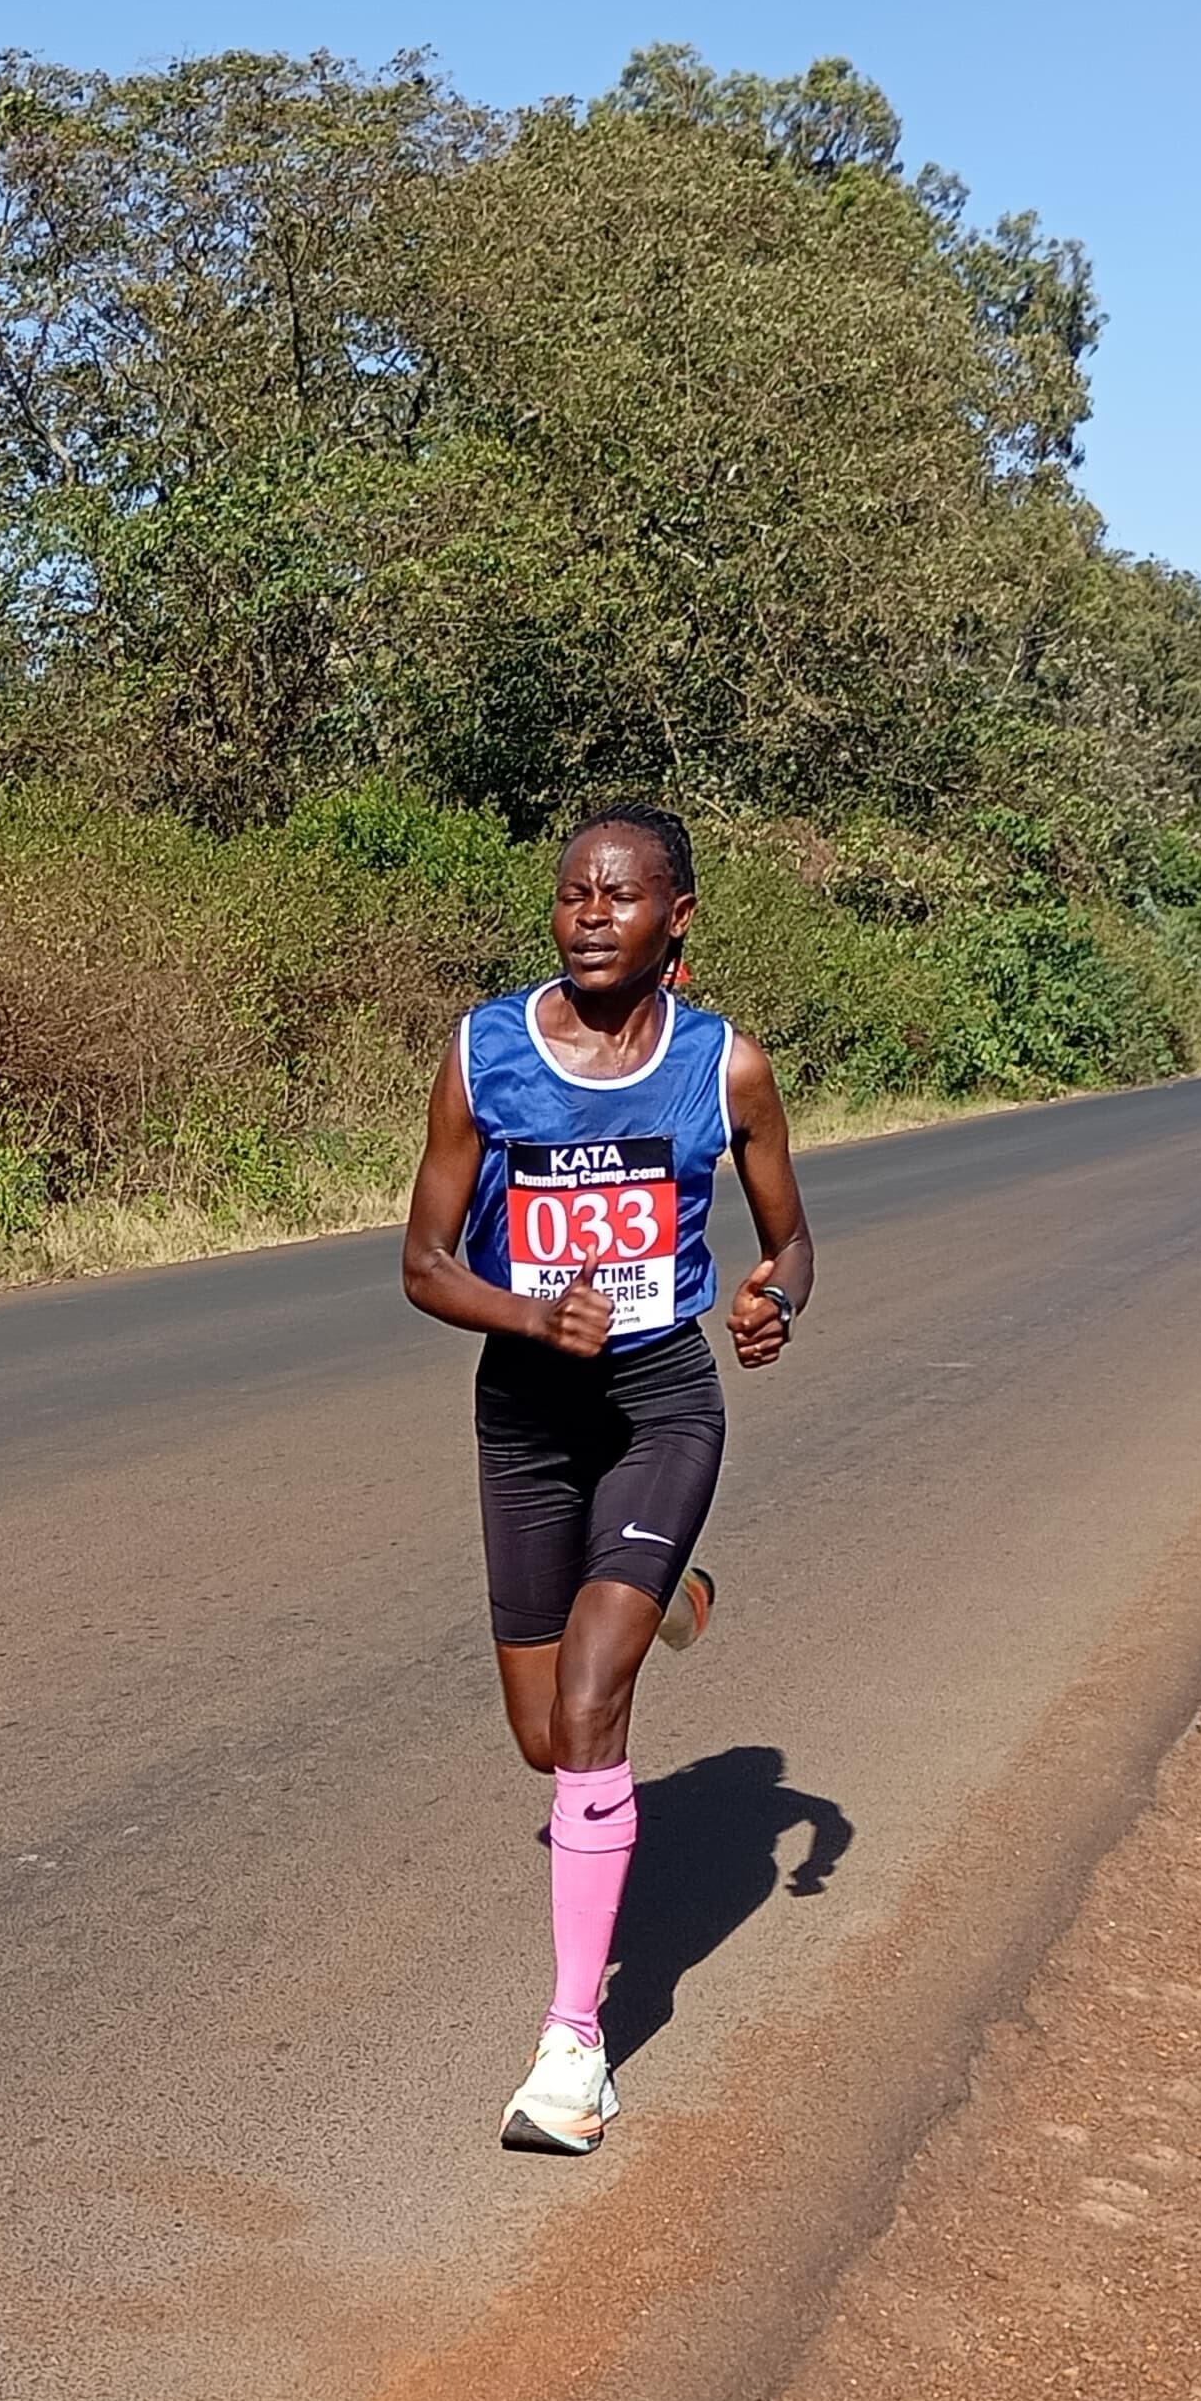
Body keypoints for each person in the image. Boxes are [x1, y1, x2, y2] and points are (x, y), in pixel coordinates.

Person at [398, 804, 816, 2153]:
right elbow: (423, 1264)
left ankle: (573, 2049)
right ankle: (673, 1590)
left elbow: (792, 1242)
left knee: (589, 1704)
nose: (590, 914)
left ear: (676, 916)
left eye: (620, 895)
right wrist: (534, 1317)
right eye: (572, 892)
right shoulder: (485, 1053)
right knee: (543, 1737)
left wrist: (773, 1300)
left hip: (658, 1405)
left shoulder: (724, 1066)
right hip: (526, 1413)